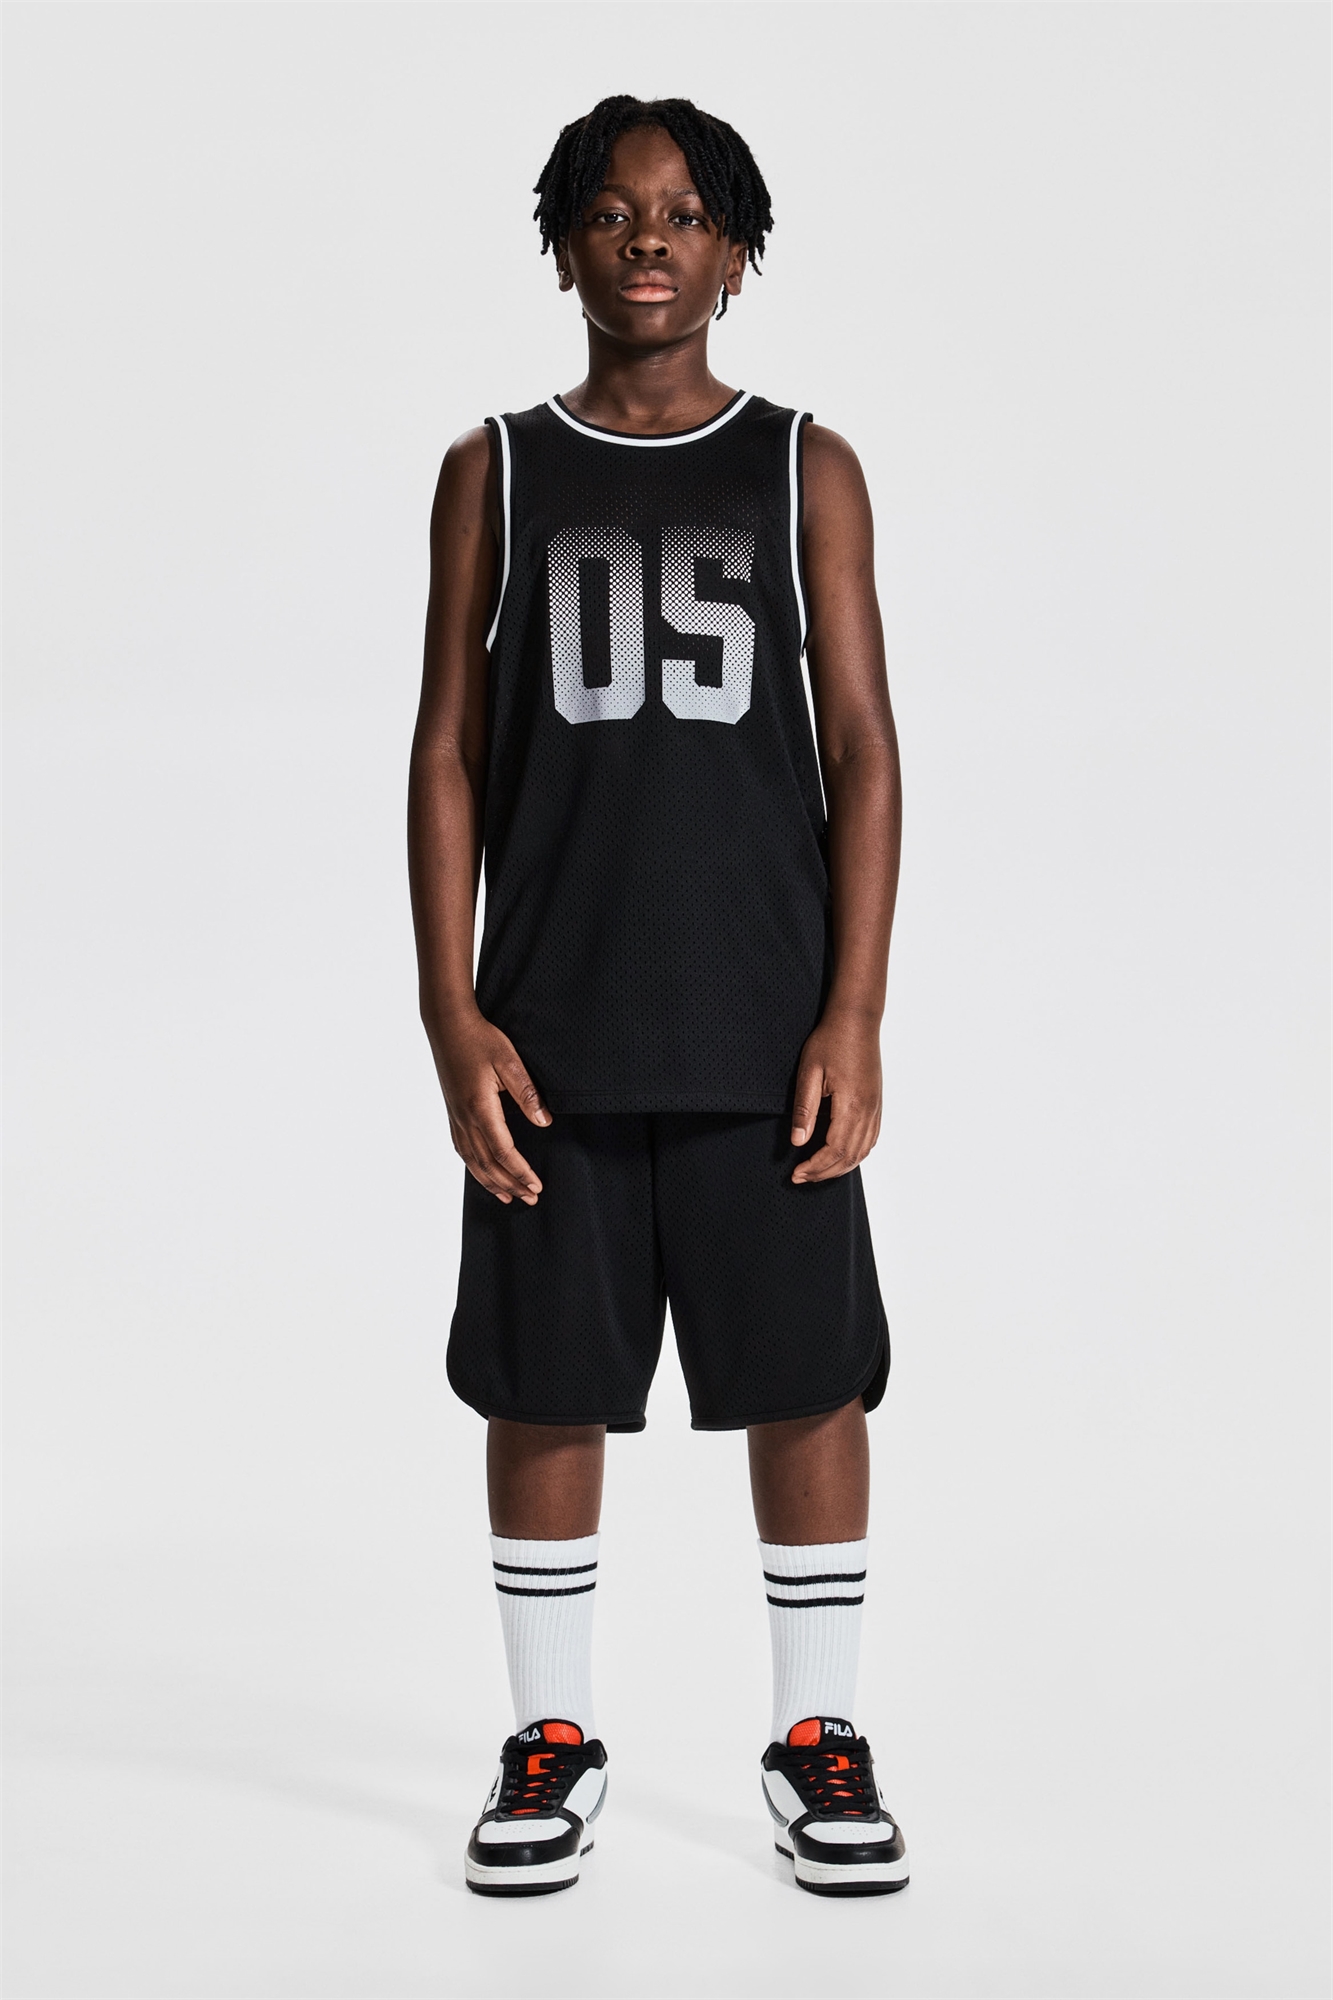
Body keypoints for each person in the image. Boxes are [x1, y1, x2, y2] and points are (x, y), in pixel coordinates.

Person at [408, 94, 905, 1899]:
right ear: (562, 244)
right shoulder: (495, 465)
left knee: (804, 1379)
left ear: (737, 254)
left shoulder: (801, 464)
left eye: (686, 215)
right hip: (552, 1021)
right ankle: (549, 1735)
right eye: (613, 213)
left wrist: (851, 1013)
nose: (647, 240)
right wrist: (451, 1010)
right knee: (546, 1385)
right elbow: (448, 747)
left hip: (765, 1021)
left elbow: (860, 743)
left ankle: (815, 1733)